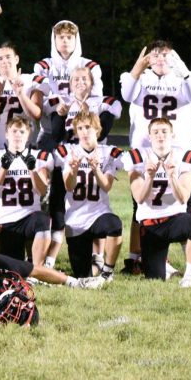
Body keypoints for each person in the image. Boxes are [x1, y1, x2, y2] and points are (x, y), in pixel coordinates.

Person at [119, 40, 191, 274]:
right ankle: (135, 258)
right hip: (145, 151)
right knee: (140, 207)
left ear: (173, 57)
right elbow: (126, 93)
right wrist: (138, 67)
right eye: (155, 54)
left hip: (177, 152)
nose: (160, 58)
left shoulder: (184, 78)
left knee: (184, 206)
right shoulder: (141, 78)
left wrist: (184, 70)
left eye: (165, 54)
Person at [36, 66, 122, 267]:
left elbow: (109, 119)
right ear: (69, 83)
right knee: (59, 205)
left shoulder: (100, 102)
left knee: (96, 201)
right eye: (75, 79)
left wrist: (90, 115)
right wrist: (60, 114)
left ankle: (98, 255)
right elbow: (56, 136)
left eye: (84, 78)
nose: (80, 82)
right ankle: (51, 259)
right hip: (69, 155)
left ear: (92, 83)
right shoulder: (62, 101)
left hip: (94, 154)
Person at [124, 117, 191, 286]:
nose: (160, 136)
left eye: (164, 131)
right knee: (154, 279)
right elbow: (139, 197)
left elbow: (183, 198)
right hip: (150, 225)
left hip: (175, 219)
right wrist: (150, 177)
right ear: (149, 136)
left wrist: (172, 176)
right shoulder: (136, 157)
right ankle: (165, 268)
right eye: (156, 132)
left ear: (172, 135)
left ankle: (189, 276)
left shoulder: (186, 157)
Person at [54, 111, 124, 280]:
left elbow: (106, 186)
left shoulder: (109, 153)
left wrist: (96, 169)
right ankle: (96, 268)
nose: (84, 132)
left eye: (88, 127)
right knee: (82, 276)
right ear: (75, 131)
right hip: (75, 220)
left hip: (98, 213)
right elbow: (69, 186)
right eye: (80, 128)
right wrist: (74, 169)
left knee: (114, 225)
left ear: (97, 129)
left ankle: (107, 272)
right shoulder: (68, 151)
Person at [0, 115, 53, 262]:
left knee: (43, 219)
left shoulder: (40, 157)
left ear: (28, 135)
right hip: (7, 221)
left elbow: (42, 191)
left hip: (30, 217)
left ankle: (37, 270)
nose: (18, 135)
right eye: (14, 131)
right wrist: (4, 168)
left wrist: (32, 170)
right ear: (6, 133)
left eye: (22, 132)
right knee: (13, 270)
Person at [31, 20, 103, 111]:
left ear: (76, 40)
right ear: (54, 40)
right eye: (61, 37)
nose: (65, 40)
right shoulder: (44, 67)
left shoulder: (89, 66)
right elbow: (40, 100)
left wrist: (75, 106)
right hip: (53, 118)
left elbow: (97, 97)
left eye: (69, 37)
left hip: (82, 117)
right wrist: (58, 105)